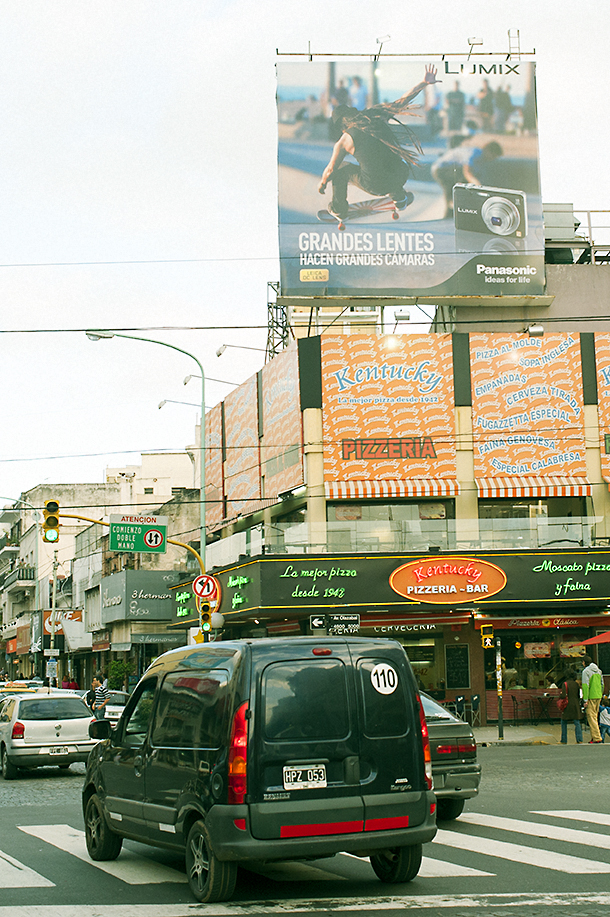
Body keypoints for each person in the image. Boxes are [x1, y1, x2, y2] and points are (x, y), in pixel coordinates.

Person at [319, 64, 439, 221]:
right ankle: (399, 197)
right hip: (400, 175)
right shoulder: (375, 115)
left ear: (342, 126)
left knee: (340, 169)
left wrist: (322, 184)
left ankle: (338, 209)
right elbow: (402, 101)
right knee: (386, 158)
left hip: (375, 185)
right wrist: (423, 83)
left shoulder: (344, 141)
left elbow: (330, 171)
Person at [431, 140, 503, 218]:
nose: (493, 159)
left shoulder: (482, 161)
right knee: (461, 181)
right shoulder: (474, 153)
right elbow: (467, 172)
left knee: (462, 191)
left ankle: (453, 210)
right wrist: (478, 186)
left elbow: (476, 177)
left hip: (449, 171)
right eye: (493, 156)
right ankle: (451, 207)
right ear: (488, 151)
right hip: (441, 169)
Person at [581, 654, 604, 743]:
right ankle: (594, 736)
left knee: (591, 717)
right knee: (595, 716)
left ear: (584, 662)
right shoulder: (599, 671)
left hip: (590, 696)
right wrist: (601, 694)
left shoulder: (586, 671)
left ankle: (597, 737)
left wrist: (585, 700)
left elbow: (585, 686)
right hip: (598, 695)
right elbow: (602, 683)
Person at [559, 669, 583, 744]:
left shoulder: (565, 684)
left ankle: (564, 740)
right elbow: (578, 695)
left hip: (567, 705)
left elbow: (563, 696)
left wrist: (560, 694)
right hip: (575, 704)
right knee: (577, 722)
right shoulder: (576, 684)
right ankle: (579, 739)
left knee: (563, 722)